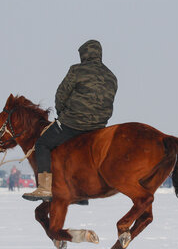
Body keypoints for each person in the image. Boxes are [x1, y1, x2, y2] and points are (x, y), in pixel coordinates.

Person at [23, 40, 117, 201]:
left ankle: (45, 188)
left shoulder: (77, 70)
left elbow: (61, 95)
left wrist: (62, 114)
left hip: (73, 123)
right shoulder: (111, 76)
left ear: (84, 54)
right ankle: (80, 194)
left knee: (42, 144)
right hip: (99, 127)